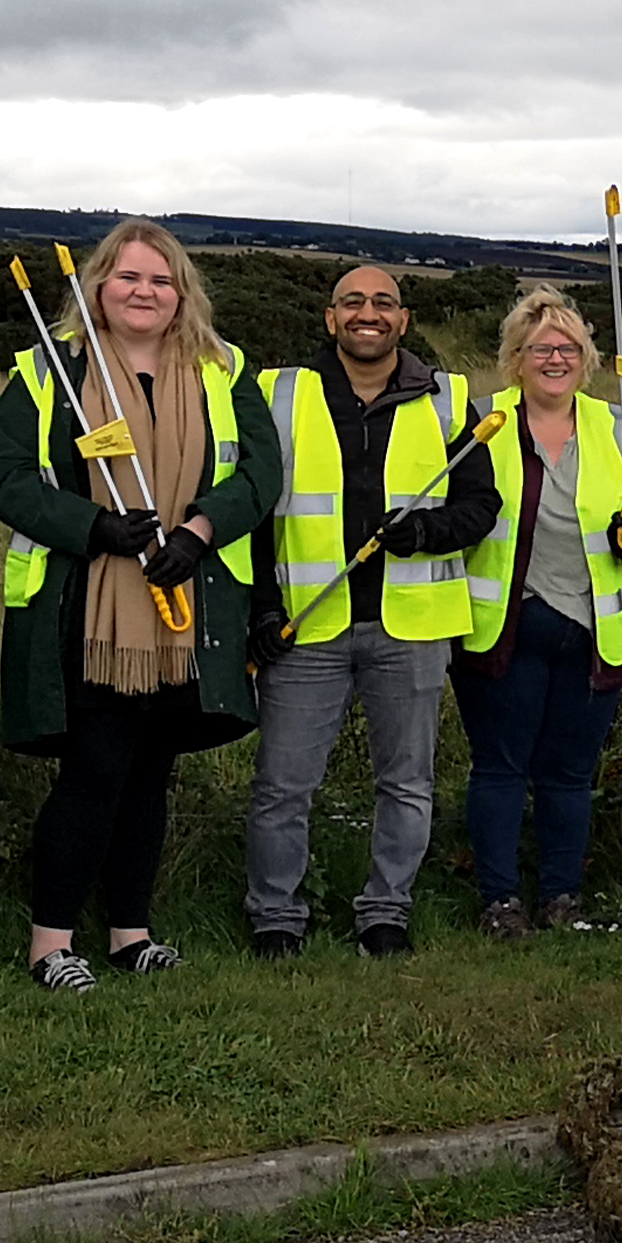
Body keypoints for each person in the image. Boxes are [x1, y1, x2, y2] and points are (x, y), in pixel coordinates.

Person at [0, 219, 276, 991]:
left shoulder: (223, 369)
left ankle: (129, 934)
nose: (144, 292)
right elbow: (8, 479)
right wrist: (95, 529)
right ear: (96, 288)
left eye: (160, 280)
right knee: (94, 773)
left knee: (151, 774)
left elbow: (260, 472)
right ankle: (51, 944)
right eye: (128, 278)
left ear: (182, 294)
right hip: (90, 609)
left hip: (187, 608)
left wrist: (201, 532)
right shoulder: (49, 370)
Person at [245, 262, 498, 959]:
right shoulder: (279, 393)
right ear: (330, 318)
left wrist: (424, 532)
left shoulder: (447, 400)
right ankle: (276, 919)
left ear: (404, 320)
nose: (369, 312)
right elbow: (255, 513)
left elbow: (481, 507)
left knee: (408, 785)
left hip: (409, 630)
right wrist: (262, 609)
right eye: (352, 301)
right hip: (305, 627)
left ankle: (386, 912)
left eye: (384, 302)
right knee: (282, 785)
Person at [454, 287, 622, 938]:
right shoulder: (482, 422)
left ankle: (563, 898)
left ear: (587, 357)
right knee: (502, 767)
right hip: (504, 632)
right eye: (542, 348)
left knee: (569, 774)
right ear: (516, 357)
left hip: (594, 633)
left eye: (568, 347)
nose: (556, 358)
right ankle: (500, 901)